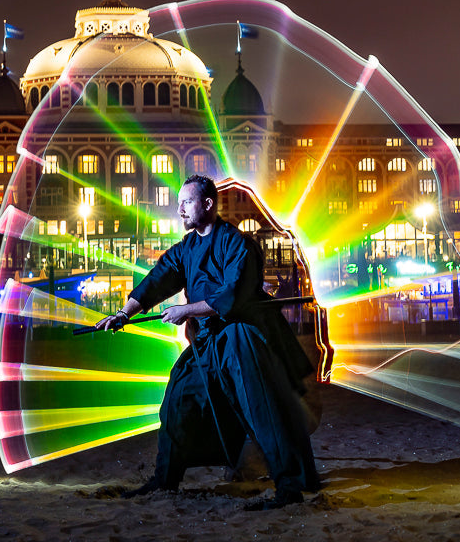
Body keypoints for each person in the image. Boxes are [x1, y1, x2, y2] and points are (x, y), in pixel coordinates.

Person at [95, 175, 320, 510]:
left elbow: (230, 295)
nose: (180, 209)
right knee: (178, 398)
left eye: (187, 202)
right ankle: (164, 479)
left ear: (208, 204)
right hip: (207, 340)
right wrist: (124, 313)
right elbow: (158, 280)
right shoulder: (186, 248)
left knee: (263, 410)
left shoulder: (237, 244)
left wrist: (186, 310)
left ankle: (289, 486)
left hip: (241, 336)